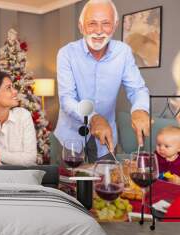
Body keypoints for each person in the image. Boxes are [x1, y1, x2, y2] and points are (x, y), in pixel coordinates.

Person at [54, 0, 150, 163]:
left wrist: (140, 109)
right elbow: (67, 99)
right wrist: (93, 117)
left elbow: (138, 89)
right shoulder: (66, 54)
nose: (99, 31)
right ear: (81, 26)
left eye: (106, 23)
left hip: (106, 140)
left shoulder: (123, 52)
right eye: (92, 23)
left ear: (115, 25)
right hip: (70, 138)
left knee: (105, 185)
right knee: (69, 187)